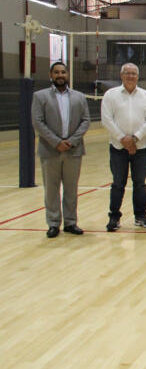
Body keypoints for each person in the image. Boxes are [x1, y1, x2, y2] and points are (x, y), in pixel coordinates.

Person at [31, 62, 90, 238]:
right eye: (56, 72)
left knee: (71, 189)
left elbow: (85, 121)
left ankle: (71, 222)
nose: (60, 75)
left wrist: (71, 141)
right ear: (51, 74)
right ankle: (53, 223)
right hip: (50, 150)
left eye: (63, 72)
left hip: (73, 150)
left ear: (67, 74)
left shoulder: (79, 97)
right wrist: (56, 142)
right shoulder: (40, 96)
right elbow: (38, 122)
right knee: (51, 189)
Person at [100, 63, 146, 232]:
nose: (131, 76)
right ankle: (114, 218)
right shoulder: (111, 95)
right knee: (118, 183)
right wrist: (123, 139)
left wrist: (135, 138)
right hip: (118, 147)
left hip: (141, 147)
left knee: (140, 184)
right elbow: (106, 120)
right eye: (127, 73)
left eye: (133, 74)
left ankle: (140, 216)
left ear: (138, 77)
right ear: (121, 75)